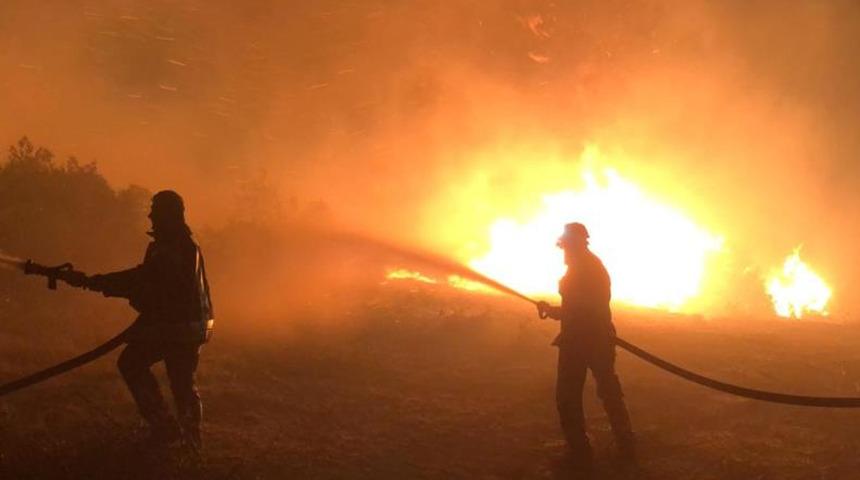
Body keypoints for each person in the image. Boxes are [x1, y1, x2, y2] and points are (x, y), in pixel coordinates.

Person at [66, 190, 214, 449]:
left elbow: (145, 282)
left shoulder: (176, 248)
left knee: (168, 376)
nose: (150, 215)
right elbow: (146, 282)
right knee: (169, 376)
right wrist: (96, 282)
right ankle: (179, 436)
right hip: (181, 325)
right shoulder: (175, 244)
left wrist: (95, 282)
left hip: (182, 327)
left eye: (155, 211)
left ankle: (179, 436)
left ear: (170, 215)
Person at [536, 222, 634, 470]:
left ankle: (582, 452)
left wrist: (559, 312)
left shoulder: (587, 268)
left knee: (570, 396)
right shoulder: (586, 265)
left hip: (584, 340)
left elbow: (584, 309)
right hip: (591, 339)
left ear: (575, 244)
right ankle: (624, 445)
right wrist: (554, 311)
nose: (563, 251)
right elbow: (578, 308)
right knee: (608, 391)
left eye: (566, 245)